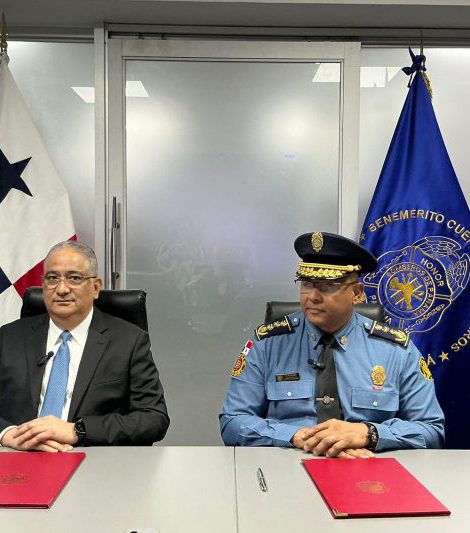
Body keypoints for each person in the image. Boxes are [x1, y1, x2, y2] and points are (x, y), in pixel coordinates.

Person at [220, 231, 444, 457]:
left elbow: (432, 430)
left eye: (327, 286)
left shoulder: (396, 350)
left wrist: (369, 433)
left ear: (356, 293)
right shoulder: (267, 344)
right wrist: (297, 436)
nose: (313, 296)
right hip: (288, 461)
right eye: (307, 283)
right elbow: (232, 421)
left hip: (367, 464)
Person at [0, 241, 169, 451]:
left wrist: (77, 431)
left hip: (91, 458)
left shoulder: (129, 341)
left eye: (74, 278)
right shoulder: (8, 337)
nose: (62, 289)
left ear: (95, 288)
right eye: (52, 278)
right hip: (17, 457)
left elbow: (153, 419)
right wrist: (6, 433)